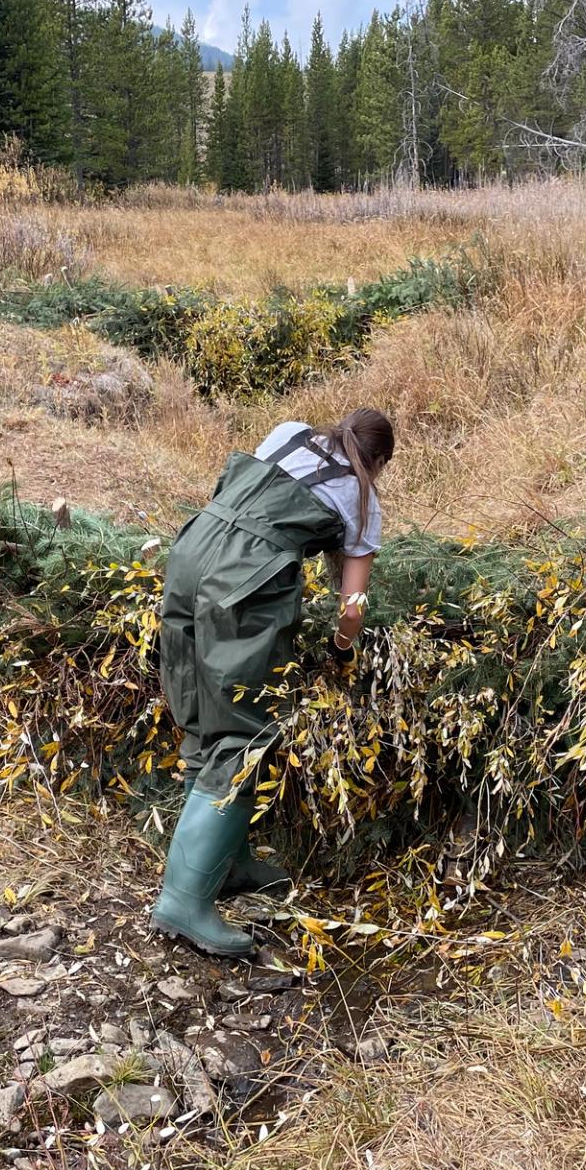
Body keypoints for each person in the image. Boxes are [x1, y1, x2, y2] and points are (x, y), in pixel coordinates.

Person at [151, 408, 396, 958]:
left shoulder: (288, 434)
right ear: (379, 463)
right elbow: (352, 608)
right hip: (245, 583)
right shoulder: (361, 502)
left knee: (196, 704)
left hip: (192, 552)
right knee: (244, 730)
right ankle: (184, 901)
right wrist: (341, 647)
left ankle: (226, 863)